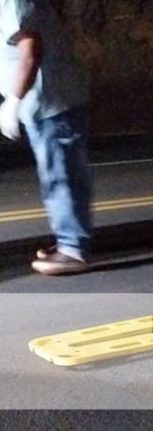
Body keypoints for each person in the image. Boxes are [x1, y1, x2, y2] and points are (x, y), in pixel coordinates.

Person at [0, 0, 92, 275]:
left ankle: (72, 249)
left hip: (51, 101)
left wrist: (13, 101)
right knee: (57, 171)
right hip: (43, 102)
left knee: (60, 175)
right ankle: (70, 238)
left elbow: (30, 50)